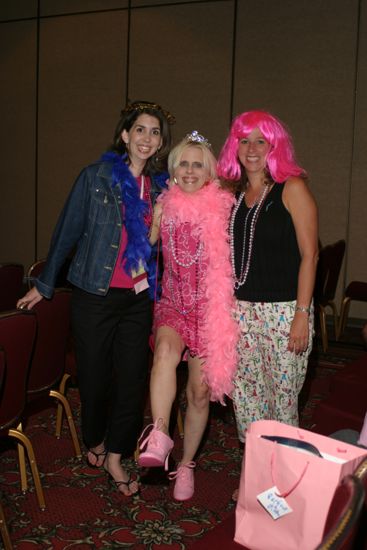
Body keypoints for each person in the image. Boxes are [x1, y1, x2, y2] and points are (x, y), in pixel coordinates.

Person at [17, 100, 175, 496]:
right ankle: (94, 438)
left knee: (133, 380)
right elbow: (67, 232)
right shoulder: (95, 177)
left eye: (154, 132)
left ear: (159, 144)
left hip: (138, 299)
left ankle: (117, 456)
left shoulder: (161, 188)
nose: (146, 138)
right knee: (94, 377)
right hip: (93, 293)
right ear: (125, 135)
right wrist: (45, 283)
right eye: (140, 129)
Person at [137, 131, 238, 501]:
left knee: (199, 393)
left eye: (199, 164)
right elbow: (143, 247)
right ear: (174, 169)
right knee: (163, 354)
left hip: (211, 313)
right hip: (174, 303)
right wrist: (155, 220)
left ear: (210, 173)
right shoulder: (163, 204)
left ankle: (187, 464)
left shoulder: (226, 210)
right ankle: (160, 435)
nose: (191, 170)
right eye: (184, 163)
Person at [217, 110, 319, 444]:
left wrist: (301, 315)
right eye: (244, 140)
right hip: (241, 313)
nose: (251, 148)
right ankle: (254, 478)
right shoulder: (233, 194)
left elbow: (310, 255)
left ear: (275, 147)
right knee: (246, 400)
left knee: (282, 403)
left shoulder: (292, 188)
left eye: (261, 141)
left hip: (284, 311)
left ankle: (282, 482)